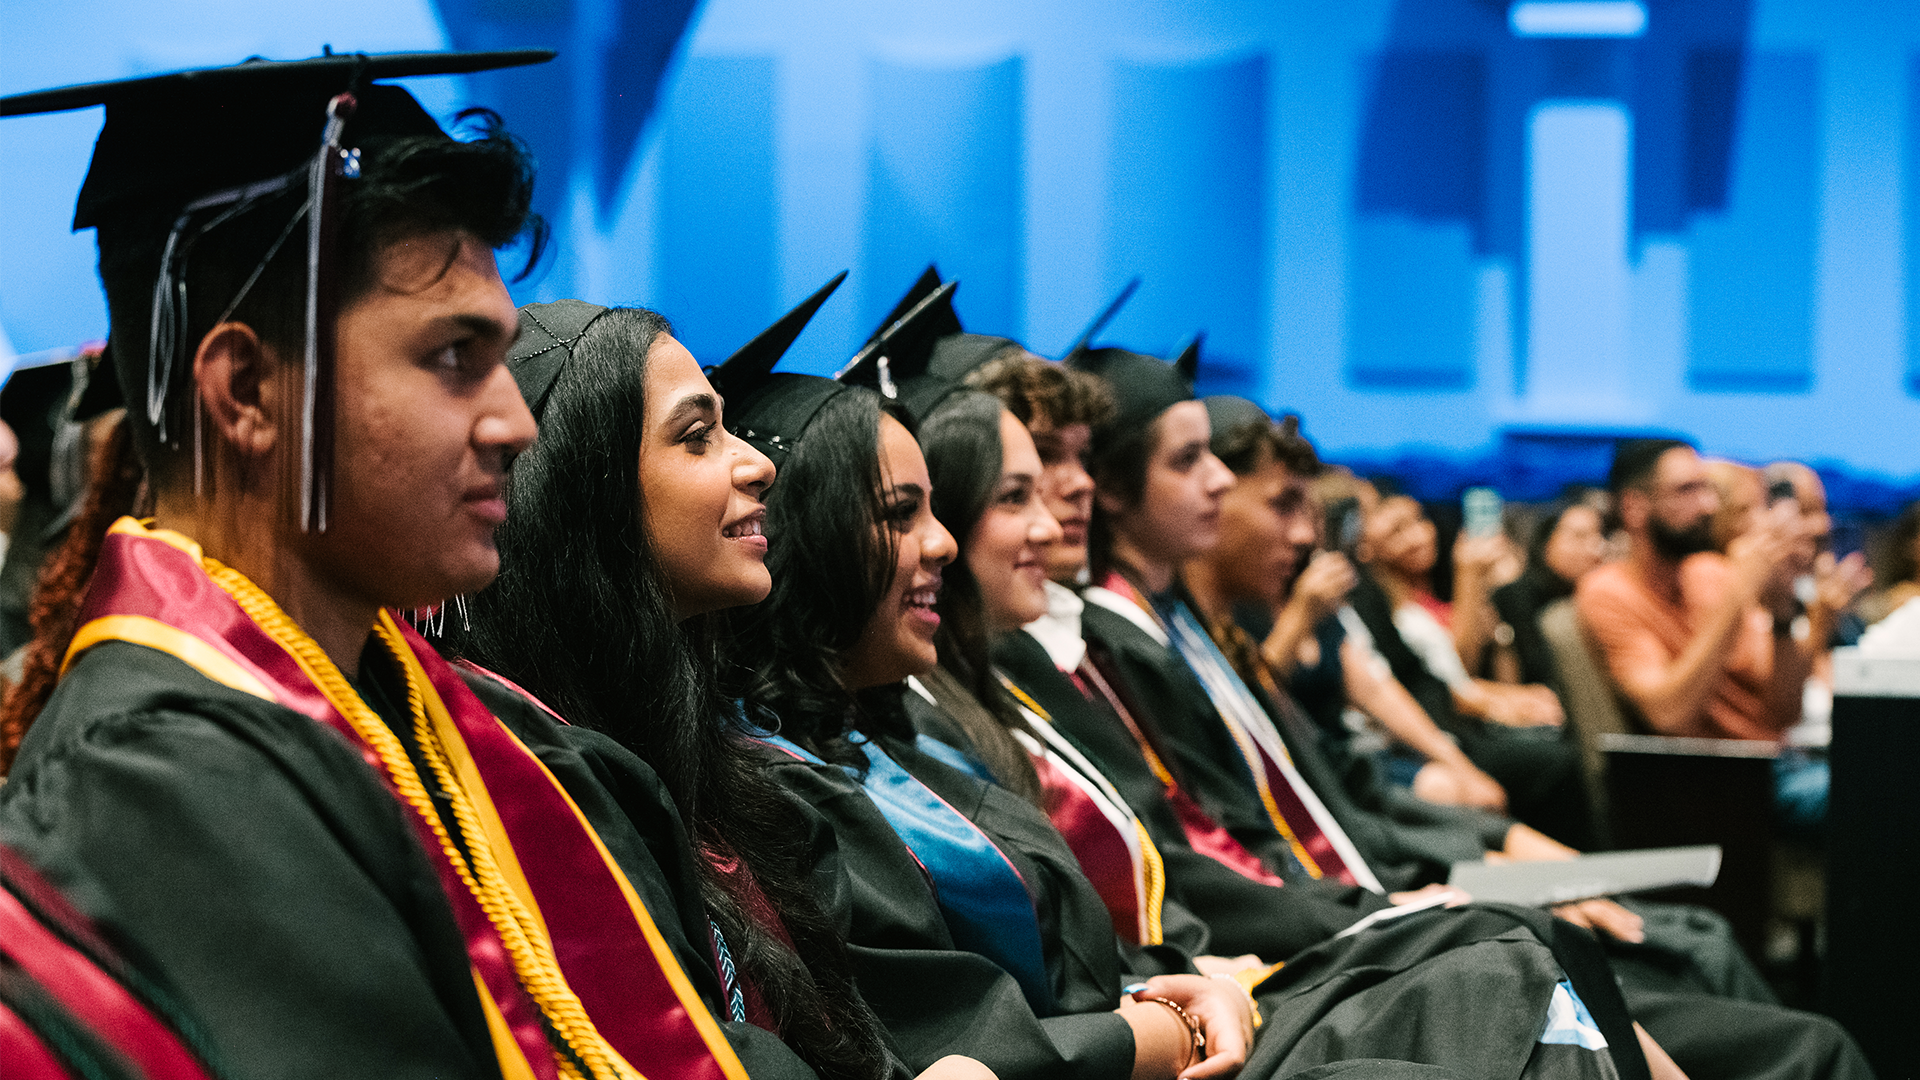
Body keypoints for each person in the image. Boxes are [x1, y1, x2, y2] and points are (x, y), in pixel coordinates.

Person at [0, 52, 807, 1080]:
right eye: (452, 359)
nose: (516, 422)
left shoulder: (446, 716)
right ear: (245, 391)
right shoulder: (156, 788)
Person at [455, 292, 992, 1080]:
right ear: (586, 494)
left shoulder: (714, 774)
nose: (758, 463)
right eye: (698, 436)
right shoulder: (523, 789)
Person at [1575, 440, 1868, 829]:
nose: (1708, 505)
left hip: (1783, 760)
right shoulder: (1609, 592)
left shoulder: (1710, 573)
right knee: (1887, 792)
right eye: (1686, 491)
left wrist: (1783, 613)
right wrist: (1737, 597)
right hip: (1722, 781)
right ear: (1634, 508)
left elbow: (1784, 712)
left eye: (1706, 489)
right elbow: (1669, 714)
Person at [1345, 491, 1594, 846]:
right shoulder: (1384, 610)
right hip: (1441, 734)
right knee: (1555, 763)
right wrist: (1470, 577)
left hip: (1458, 724)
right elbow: (1445, 682)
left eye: (1419, 521)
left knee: (1558, 737)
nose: (1419, 535)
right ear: (1366, 545)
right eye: (1398, 530)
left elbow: (1464, 675)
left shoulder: (1426, 599)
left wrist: (1511, 697)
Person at [1489, 495, 1611, 693]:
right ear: (1546, 544)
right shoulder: (1514, 596)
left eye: (1600, 536)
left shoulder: (1597, 597)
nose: (1597, 549)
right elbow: (1536, 674)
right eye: (1580, 536)